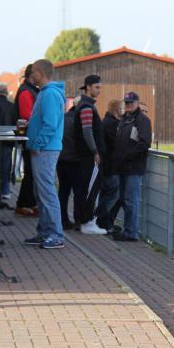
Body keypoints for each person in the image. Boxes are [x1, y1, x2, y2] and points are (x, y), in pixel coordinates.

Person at [22, 59, 66, 249]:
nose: (31, 76)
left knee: (46, 191)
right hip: (45, 147)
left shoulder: (49, 94)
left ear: (40, 72)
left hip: (45, 149)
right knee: (42, 191)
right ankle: (45, 232)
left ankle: (55, 234)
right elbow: (47, 122)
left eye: (32, 72)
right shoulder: (48, 93)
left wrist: (37, 143)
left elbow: (50, 124)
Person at [111, 92, 152, 242]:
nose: (128, 105)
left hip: (133, 167)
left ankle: (131, 232)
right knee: (123, 198)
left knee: (130, 200)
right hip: (122, 166)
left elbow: (144, 143)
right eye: (126, 103)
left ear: (137, 103)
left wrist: (129, 156)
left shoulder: (142, 120)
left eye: (131, 103)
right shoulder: (124, 119)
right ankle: (127, 230)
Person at [74, 75, 107, 235]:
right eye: (97, 87)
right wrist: (95, 152)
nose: (99, 91)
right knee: (90, 189)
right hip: (89, 156)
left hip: (86, 156)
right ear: (88, 87)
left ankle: (85, 221)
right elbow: (87, 132)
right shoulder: (86, 107)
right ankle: (87, 222)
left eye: (100, 87)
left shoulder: (85, 105)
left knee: (87, 188)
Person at [14, 64, 40, 216]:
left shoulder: (29, 90)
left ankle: (30, 202)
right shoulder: (25, 92)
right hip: (29, 136)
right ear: (32, 75)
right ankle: (23, 203)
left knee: (32, 172)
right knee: (29, 172)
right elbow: (26, 114)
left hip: (30, 135)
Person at [96, 99, 123, 233]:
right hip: (111, 166)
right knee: (113, 195)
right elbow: (117, 144)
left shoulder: (105, 122)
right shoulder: (111, 124)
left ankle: (104, 222)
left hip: (106, 166)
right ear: (117, 110)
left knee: (107, 194)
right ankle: (99, 217)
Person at [57, 98, 82, 230]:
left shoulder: (63, 118)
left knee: (63, 191)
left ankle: (62, 219)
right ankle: (78, 220)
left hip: (61, 160)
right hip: (75, 161)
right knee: (78, 192)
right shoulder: (79, 120)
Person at [0, 84, 18, 199]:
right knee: (5, 166)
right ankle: (4, 191)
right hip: (7, 140)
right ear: (6, 93)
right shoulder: (12, 106)